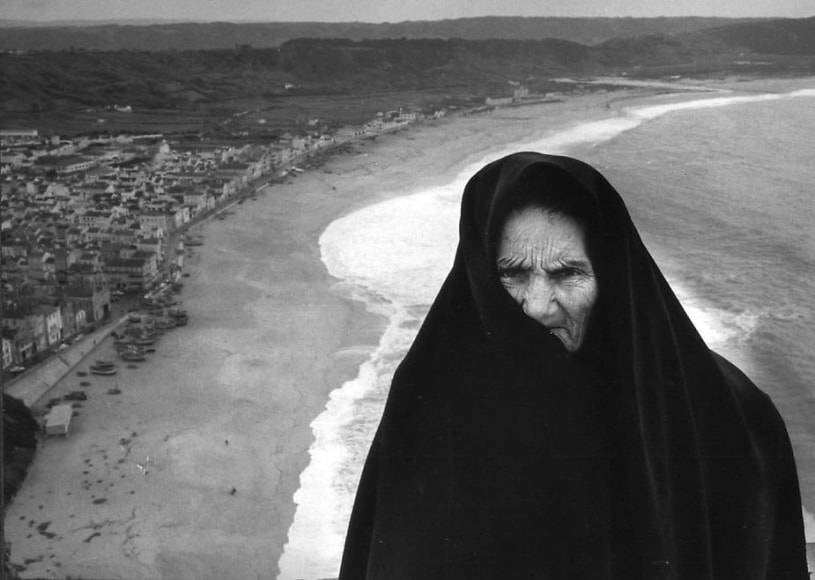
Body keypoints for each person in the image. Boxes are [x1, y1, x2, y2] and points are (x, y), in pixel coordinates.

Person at [338, 152, 808, 579]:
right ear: (479, 277)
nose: (537, 306)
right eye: (512, 274)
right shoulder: (428, 402)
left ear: (612, 279)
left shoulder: (729, 413)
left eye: (568, 273)